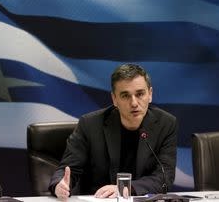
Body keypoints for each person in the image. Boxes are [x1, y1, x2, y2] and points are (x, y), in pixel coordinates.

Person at [49, 64, 177, 199]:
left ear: (150, 94)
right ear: (114, 99)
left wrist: (126, 188)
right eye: (125, 96)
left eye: (140, 94)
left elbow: (164, 177)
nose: (134, 103)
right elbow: (68, 169)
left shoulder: (166, 124)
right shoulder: (90, 124)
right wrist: (59, 185)